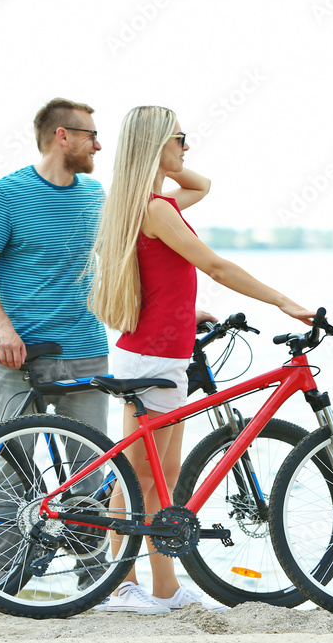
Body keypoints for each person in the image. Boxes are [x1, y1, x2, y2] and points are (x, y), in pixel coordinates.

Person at [88, 105, 314, 614]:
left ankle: (161, 589)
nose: (187, 148)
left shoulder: (141, 204)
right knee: (142, 477)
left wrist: (183, 312)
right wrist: (282, 300)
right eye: (180, 139)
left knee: (157, 477)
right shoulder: (156, 209)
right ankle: (122, 587)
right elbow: (212, 263)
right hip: (150, 359)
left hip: (162, 353)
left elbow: (201, 186)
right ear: (154, 144)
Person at [0, 97, 110, 588]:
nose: (98, 143)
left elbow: (122, 267)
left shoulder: (97, 196)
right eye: (90, 134)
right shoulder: (6, 192)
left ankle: (95, 583)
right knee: (11, 470)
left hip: (86, 347)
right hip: (20, 354)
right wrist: (1, 328)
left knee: (90, 472)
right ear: (61, 136)